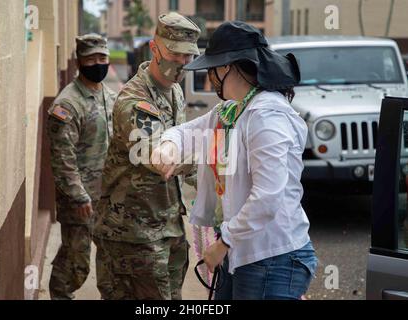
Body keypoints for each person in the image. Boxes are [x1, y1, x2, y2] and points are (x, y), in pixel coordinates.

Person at [151, 21, 318, 300]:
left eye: (211, 70)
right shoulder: (230, 111)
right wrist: (167, 146)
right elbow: (187, 131)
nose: (210, 78)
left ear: (228, 67)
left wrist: (224, 242)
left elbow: (267, 196)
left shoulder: (267, 117)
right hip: (243, 255)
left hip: (273, 259)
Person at [93, 12, 201, 300]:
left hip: (166, 226)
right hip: (133, 235)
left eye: (188, 56)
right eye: (175, 54)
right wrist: (208, 159)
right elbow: (160, 159)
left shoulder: (174, 91)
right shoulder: (135, 102)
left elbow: (180, 144)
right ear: (155, 49)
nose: (182, 62)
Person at [47, 34, 117, 300]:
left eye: (102, 57)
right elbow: (62, 159)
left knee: (112, 263)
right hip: (81, 201)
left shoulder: (109, 97)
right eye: (90, 58)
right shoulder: (67, 105)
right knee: (75, 264)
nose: (97, 63)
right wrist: (78, 196)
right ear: (79, 61)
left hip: (110, 197)